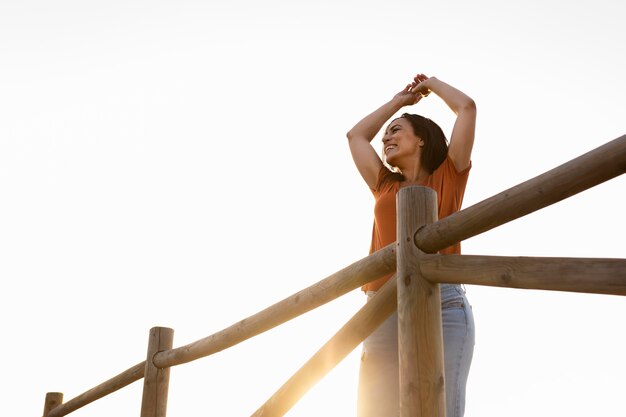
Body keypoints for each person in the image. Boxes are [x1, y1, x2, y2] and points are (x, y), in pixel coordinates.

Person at [346, 73, 477, 417]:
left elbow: (466, 108)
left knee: (441, 410)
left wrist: (431, 84)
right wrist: (398, 103)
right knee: (377, 411)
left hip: (444, 304)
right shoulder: (384, 184)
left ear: (420, 140)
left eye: (396, 129)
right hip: (381, 306)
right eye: (386, 132)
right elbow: (356, 135)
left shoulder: (449, 174)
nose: (386, 137)